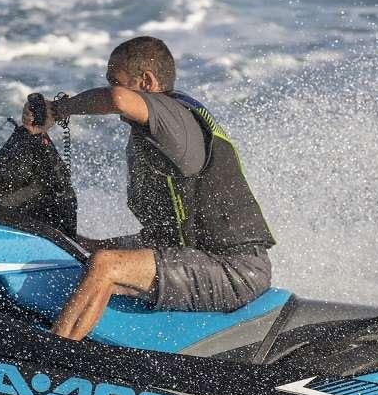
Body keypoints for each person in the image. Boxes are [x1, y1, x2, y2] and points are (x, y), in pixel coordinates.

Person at [23, 36, 275, 341]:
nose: (109, 87)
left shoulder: (175, 118)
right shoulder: (153, 134)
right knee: (80, 247)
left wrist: (59, 110)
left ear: (146, 81)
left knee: (106, 265)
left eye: (115, 80)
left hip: (233, 268)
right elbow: (170, 230)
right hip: (193, 253)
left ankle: (53, 356)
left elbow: (117, 99)